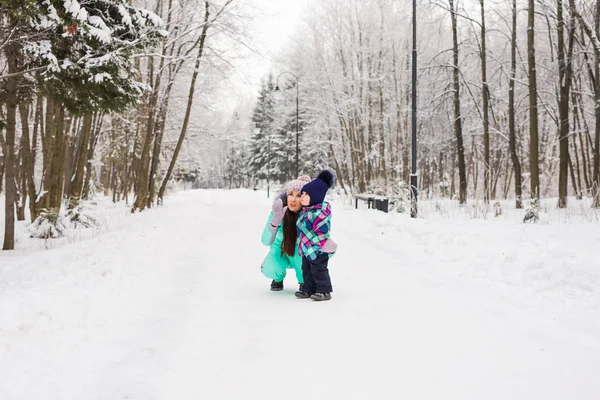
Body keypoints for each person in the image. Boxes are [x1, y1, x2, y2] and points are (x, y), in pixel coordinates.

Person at [260, 176, 311, 291]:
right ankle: (278, 278)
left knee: (303, 256)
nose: (293, 199)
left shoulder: (311, 215)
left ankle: (304, 281)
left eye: (298, 195)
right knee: (269, 268)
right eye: (290, 194)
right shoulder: (278, 211)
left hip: (300, 252)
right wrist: (275, 222)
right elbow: (265, 241)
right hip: (281, 249)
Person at [294, 169, 337, 301]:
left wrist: (315, 247)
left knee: (319, 270)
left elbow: (322, 232)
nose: (302, 196)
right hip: (306, 248)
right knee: (306, 269)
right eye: (302, 193)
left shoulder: (320, 213)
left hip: (318, 248)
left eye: (306, 194)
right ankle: (308, 288)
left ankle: (324, 290)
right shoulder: (306, 211)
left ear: (316, 196)